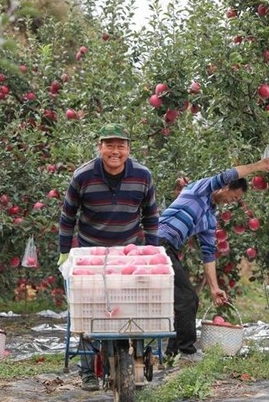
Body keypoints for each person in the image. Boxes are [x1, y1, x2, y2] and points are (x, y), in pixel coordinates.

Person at [57, 123, 159, 391]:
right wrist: (65, 253)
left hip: (128, 252)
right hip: (92, 251)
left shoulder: (143, 176)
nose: (115, 151)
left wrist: (153, 250)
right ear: (100, 147)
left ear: (128, 148)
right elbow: (68, 216)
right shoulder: (83, 176)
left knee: (131, 306)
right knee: (89, 309)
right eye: (109, 145)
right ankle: (88, 371)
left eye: (121, 146)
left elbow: (150, 216)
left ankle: (134, 361)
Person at [158, 157, 269, 362]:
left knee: (184, 298)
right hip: (157, 242)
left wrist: (214, 288)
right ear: (225, 187)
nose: (233, 201)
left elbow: (208, 254)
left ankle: (171, 353)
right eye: (234, 196)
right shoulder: (199, 189)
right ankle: (186, 351)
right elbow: (229, 174)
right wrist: (257, 166)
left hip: (169, 249)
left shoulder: (210, 218)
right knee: (187, 298)